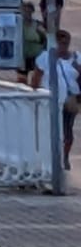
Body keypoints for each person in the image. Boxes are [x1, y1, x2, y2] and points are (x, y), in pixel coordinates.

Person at [36, 29, 79, 170]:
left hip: (69, 101)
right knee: (50, 130)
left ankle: (65, 156)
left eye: (66, 43)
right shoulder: (45, 57)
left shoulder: (76, 57)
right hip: (49, 100)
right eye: (60, 43)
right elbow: (37, 76)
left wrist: (77, 67)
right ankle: (51, 157)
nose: (63, 46)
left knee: (67, 131)